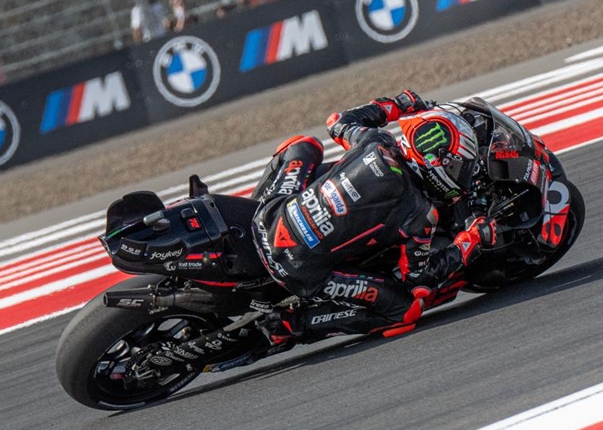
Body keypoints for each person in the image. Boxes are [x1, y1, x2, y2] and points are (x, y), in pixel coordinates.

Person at [144, 91, 497, 373]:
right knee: (406, 309)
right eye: (457, 164)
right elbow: (420, 278)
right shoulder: (422, 214)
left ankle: (251, 223)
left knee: (303, 146)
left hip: (268, 217)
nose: (462, 171)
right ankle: (289, 324)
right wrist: (470, 241)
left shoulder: (375, 142)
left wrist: (399, 104)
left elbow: (339, 121)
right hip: (302, 270)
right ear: (437, 167)